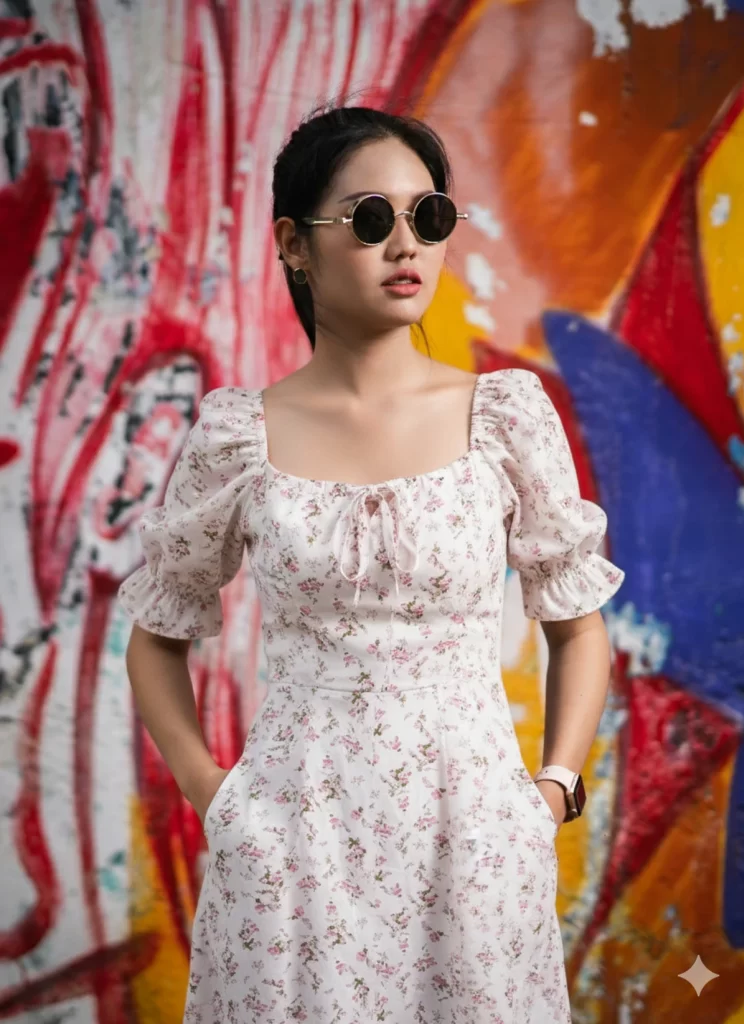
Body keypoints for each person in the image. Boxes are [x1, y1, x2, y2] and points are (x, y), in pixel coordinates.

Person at [119, 105, 625, 1023]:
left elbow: (577, 626)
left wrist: (549, 792)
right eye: (367, 219)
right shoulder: (239, 436)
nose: (405, 244)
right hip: (290, 850)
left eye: (427, 217)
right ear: (294, 245)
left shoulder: (506, 418)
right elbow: (155, 637)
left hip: (472, 842)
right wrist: (220, 803)